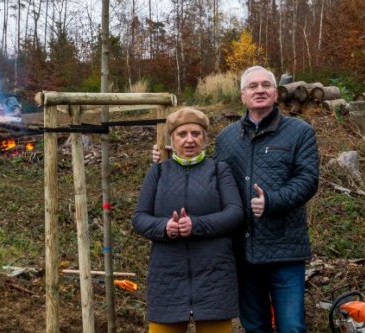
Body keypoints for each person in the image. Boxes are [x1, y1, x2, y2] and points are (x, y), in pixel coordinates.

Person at [153, 66, 320, 333]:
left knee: (292, 327)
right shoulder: (229, 137)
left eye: (266, 85)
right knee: (255, 326)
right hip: (242, 251)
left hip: (284, 249)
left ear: (276, 93)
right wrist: (174, 156)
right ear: (243, 96)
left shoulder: (300, 132)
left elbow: (308, 179)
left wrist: (272, 201)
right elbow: (209, 177)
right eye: (252, 86)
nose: (260, 90)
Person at [134, 107, 244, 333]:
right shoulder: (158, 172)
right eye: (182, 134)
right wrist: (164, 226)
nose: (189, 140)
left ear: (205, 139)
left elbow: (235, 213)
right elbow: (140, 218)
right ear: (171, 140)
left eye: (196, 133)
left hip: (214, 276)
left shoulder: (219, 170)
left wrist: (196, 225)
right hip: (167, 277)